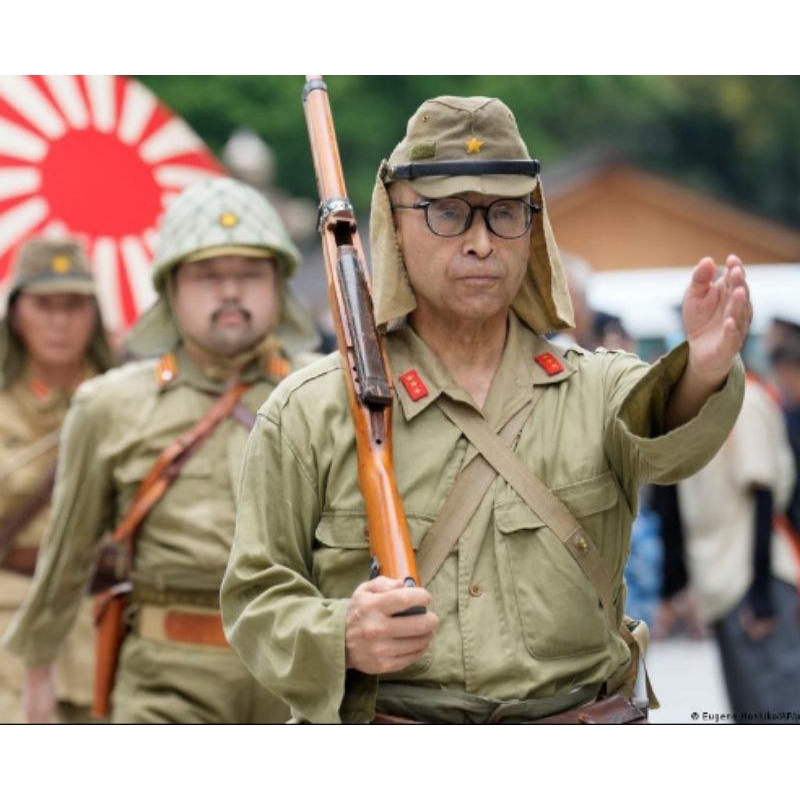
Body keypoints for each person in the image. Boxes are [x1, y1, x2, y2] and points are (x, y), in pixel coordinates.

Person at [221, 95, 750, 724]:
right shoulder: (310, 411)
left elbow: (665, 432)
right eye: (448, 213)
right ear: (396, 222)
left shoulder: (595, 387)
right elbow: (256, 596)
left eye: (504, 213)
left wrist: (705, 368)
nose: (480, 242)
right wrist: (341, 634)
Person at [3, 177, 319, 723]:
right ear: (171, 288)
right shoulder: (110, 404)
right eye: (207, 275)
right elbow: (69, 555)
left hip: (298, 672)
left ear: (279, 285)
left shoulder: (327, 393)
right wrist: (38, 672)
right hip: (165, 679)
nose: (229, 292)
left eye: (249, 274)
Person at [0, 238, 115, 723]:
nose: (60, 321)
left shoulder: (127, 398)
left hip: (103, 618)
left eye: (74, 305)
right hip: (10, 617)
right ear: (15, 312)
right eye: (45, 306)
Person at [668, 363, 799, 722]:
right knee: (750, 711)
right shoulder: (706, 403)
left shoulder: (746, 401)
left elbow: (763, 494)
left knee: (778, 713)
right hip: (727, 582)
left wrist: (761, 596)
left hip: (753, 581)